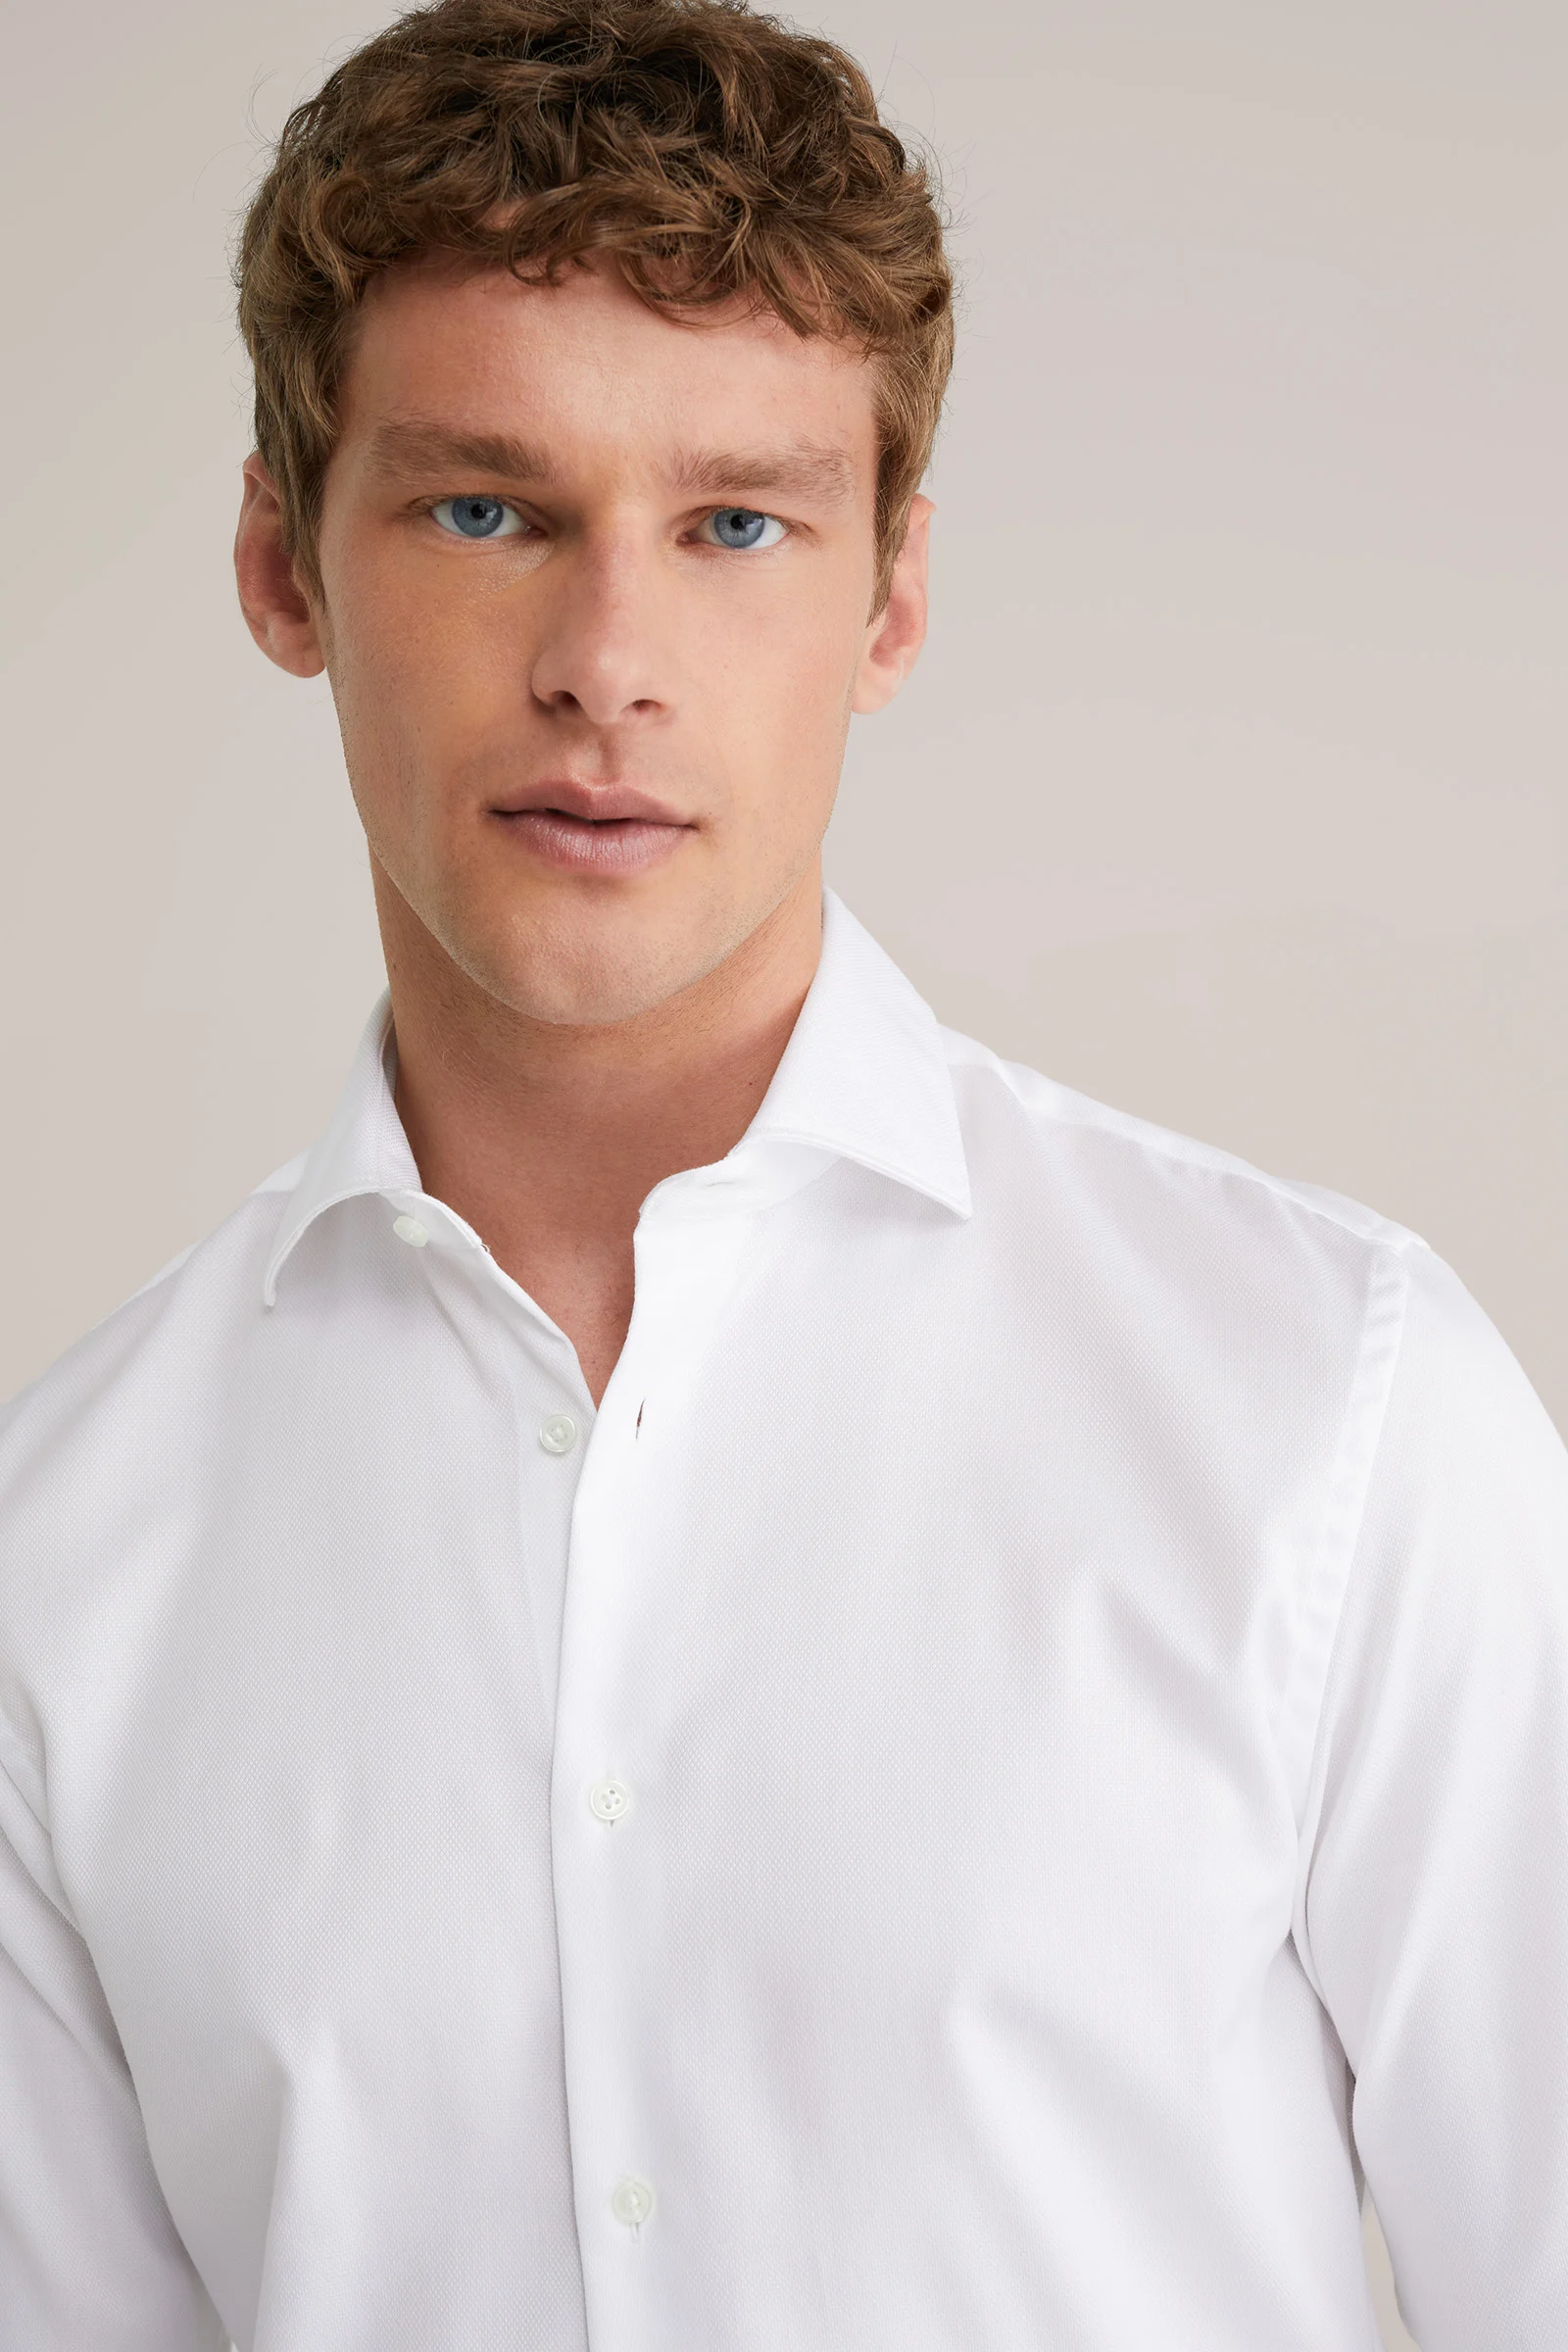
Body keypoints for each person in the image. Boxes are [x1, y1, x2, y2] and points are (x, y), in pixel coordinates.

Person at [0, 0, 1563, 2343]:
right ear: (280, 564)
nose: (606, 660)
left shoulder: (1323, 1412)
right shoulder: (60, 1567)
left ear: (887, 599)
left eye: (735, 522)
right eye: (485, 509)